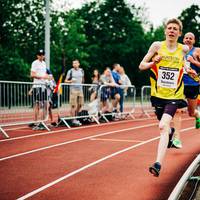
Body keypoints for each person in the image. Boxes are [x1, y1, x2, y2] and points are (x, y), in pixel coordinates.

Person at [139, 18, 189, 177]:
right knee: (165, 129)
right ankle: (171, 132)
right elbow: (141, 66)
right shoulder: (157, 46)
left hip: (174, 95)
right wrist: (154, 62)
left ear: (179, 33)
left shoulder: (184, 49)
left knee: (162, 126)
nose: (172, 30)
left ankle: (158, 164)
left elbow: (184, 63)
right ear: (165, 31)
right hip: (157, 95)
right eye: (169, 28)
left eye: (175, 29)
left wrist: (187, 68)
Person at [172, 32, 200, 148]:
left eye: (191, 38)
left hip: (193, 84)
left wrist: (193, 62)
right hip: (179, 83)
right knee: (178, 110)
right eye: (186, 38)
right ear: (183, 39)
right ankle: (177, 138)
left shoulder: (197, 51)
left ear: (194, 41)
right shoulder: (178, 50)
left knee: (191, 112)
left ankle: (197, 115)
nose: (188, 40)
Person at [30, 49, 49, 130]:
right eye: (39, 54)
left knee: (45, 104)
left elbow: (44, 75)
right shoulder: (35, 63)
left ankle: (42, 122)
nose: (41, 56)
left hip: (43, 86)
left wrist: (47, 78)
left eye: (42, 54)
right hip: (37, 86)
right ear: (37, 55)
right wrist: (43, 77)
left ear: (44, 55)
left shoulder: (44, 63)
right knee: (37, 105)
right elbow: (32, 75)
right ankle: (35, 122)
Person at [65, 59, 84, 126]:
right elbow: (66, 81)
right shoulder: (70, 71)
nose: (74, 64)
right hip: (73, 90)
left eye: (76, 63)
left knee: (80, 105)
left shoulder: (81, 70)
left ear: (79, 64)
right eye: (73, 63)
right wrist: (71, 81)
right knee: (73, 105)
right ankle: (73, 119)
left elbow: (82, 79)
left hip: (80, 89)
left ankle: (75, 117)